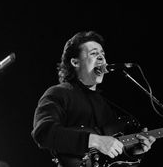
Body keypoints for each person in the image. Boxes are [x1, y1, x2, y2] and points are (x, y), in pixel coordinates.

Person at [31, 31, 156, 167]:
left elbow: (110, 158)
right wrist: (94, 140)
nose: (102, 58)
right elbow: (43, 133)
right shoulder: (59, 93)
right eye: (94, 53)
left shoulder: (105, 104)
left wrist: (132, 151)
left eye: (103, 54)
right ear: (75, 62)